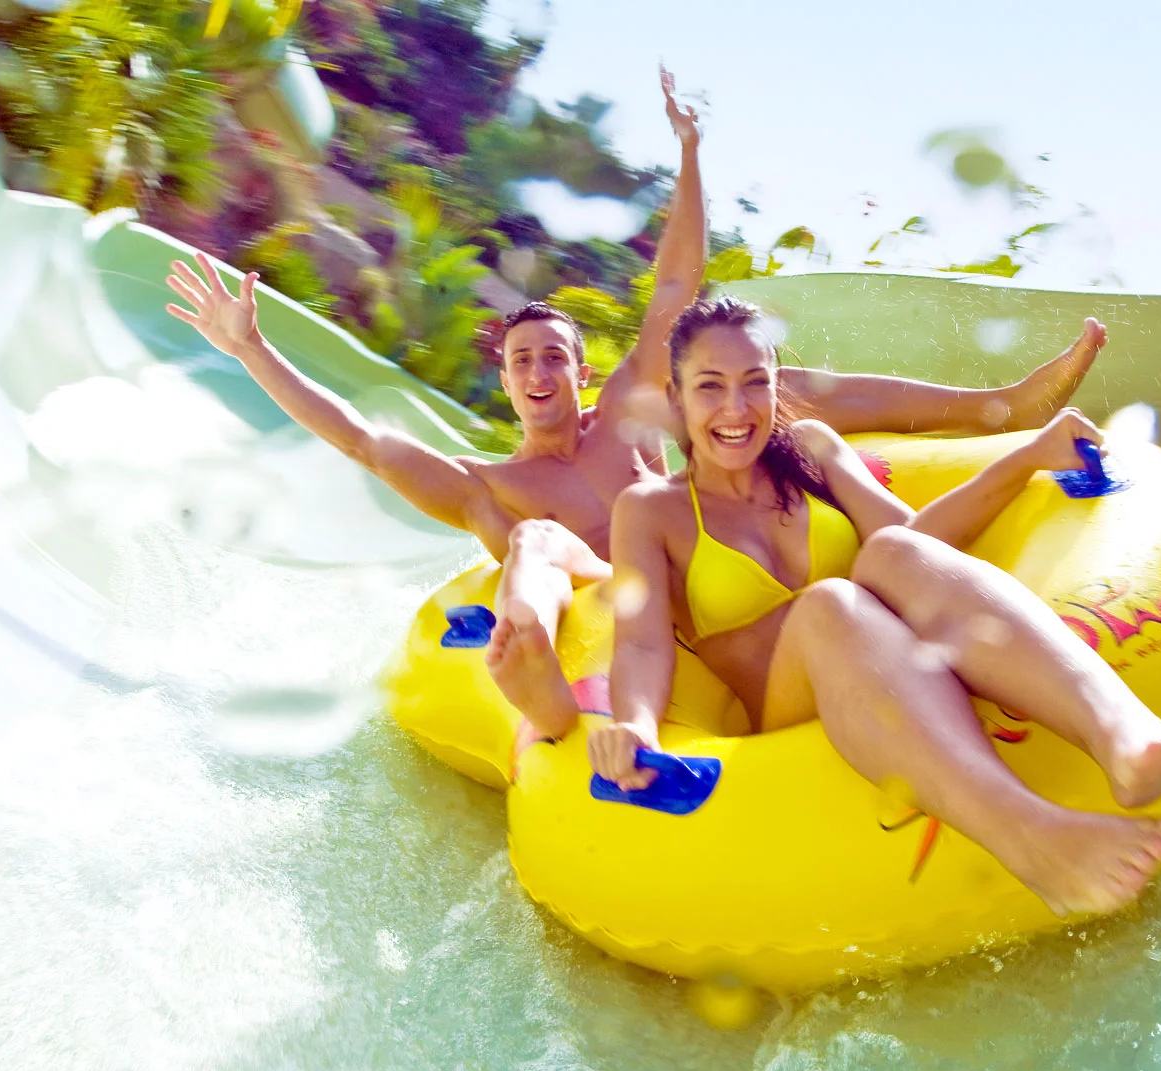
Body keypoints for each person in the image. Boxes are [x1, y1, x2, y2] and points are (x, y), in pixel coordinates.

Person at [166, 67, 1108, 742]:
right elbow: (364, 442)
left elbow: (675, 288)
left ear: (583, 374)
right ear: (507, 382)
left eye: (556, 357)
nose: (539, 371)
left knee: (775, 393)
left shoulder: (625, 415)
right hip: (627, 609)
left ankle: (999, 407)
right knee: (540, 540)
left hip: (714, 561)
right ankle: (532, 662)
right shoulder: (487, 484)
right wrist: (252, 348)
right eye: (523, 361)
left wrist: (689, 151)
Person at [587, 296, 1161, 917]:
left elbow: (919, 541)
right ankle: (1034, 839)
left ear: (777, 385)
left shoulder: (808, 449)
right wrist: (636, 725)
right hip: (787, 709)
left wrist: (1026, 457)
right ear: (675, 398)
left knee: (891, 549)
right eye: (710, 387)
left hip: (884, 663)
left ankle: (1122, 738)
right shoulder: (651, 510)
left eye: (756, 382)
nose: (736, 408)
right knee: (830, 602)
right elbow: (641, 641)